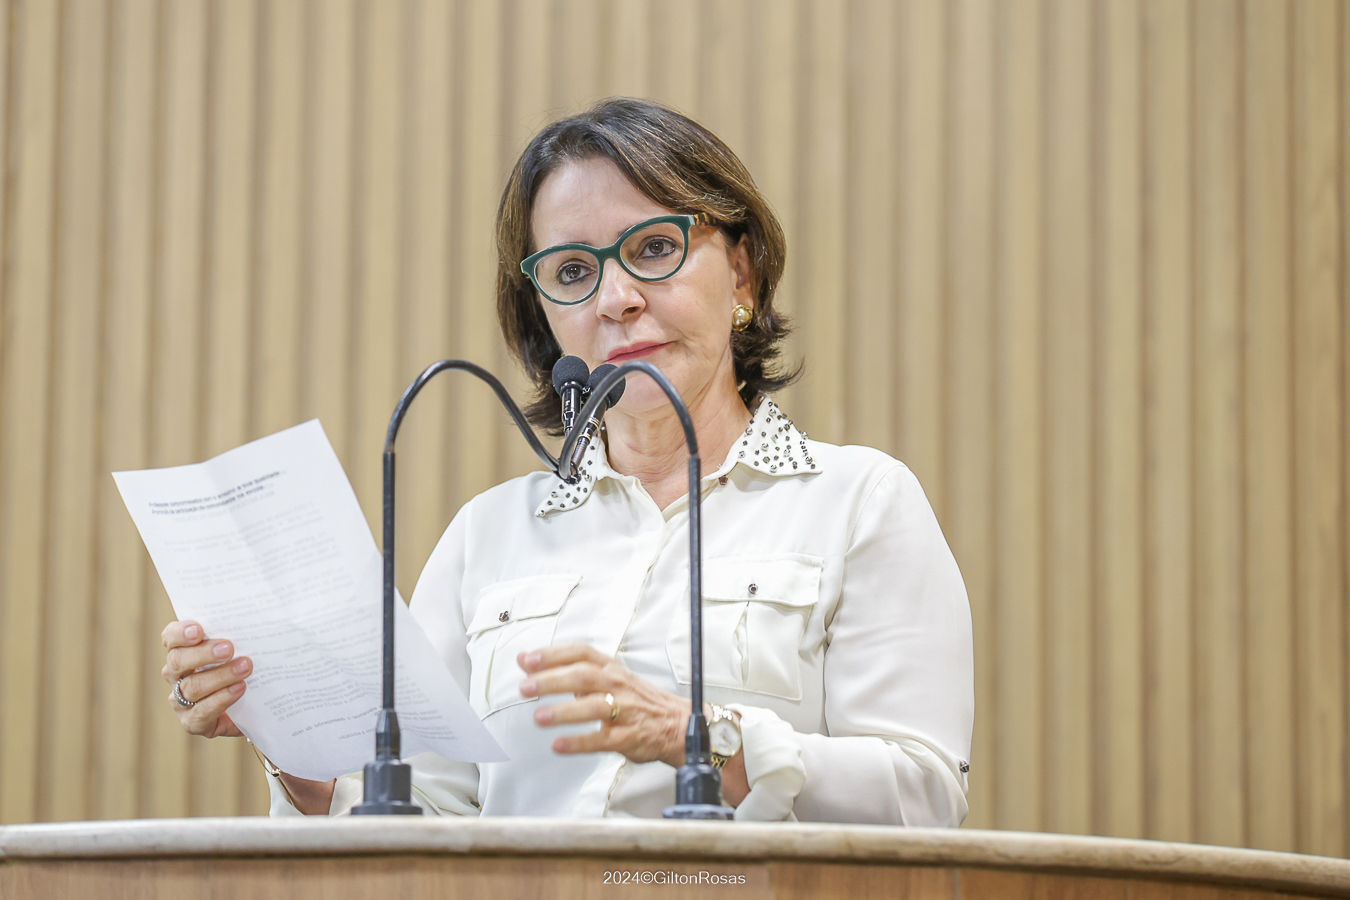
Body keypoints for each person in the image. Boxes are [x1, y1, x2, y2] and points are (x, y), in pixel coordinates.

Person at [160, 97, 974, 824]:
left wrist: (698, 737)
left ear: (742, 273)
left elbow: (922, 795)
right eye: (574, 271)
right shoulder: (486, 536)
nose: (617, 299)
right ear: (545, 315)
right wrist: (291, 745)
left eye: (654, 248)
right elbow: (422, 817)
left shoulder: (859, 501)